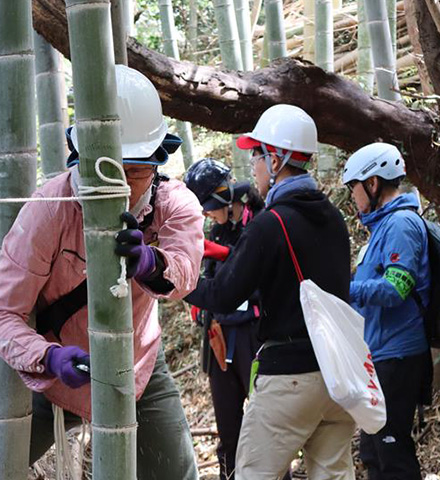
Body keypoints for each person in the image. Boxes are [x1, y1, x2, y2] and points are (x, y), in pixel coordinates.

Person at [0, 65, 204, 480]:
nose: (121, 186)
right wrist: (47, 356)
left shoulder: (173, 203)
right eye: (106, 171)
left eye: (133, 172)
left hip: (136, 368)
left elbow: (183, 275)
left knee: (178, 474)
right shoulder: (49, 208)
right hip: (53, 374)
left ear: (156, 161)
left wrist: (150, 262)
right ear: (81, 157)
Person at [185, 104, 356, 479]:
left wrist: (173, 277)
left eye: (257, 155)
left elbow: (224, 295)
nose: (253, 166)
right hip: (337, 376)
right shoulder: (334, 218)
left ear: (276, 160)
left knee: (253, 473)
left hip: (290, 378)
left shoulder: (270, 224)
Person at [342, 142, 433, 480]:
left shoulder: (400, 225)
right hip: (380, 352)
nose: (353, 197)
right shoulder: (382, 227)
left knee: (392, 451)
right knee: (373, 451)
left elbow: (397, 287)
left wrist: (344, 287)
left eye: (354, 188)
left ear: (373, 183)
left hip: (399, 353)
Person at [184, 158, 265, 480]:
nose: (207, 215)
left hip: (254, 334)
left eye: (208, 207)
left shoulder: (259, 222)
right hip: (219, 336)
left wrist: (224, 256)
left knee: (265, 428)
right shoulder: (219, 228)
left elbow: (260, 279)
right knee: (228, 431)